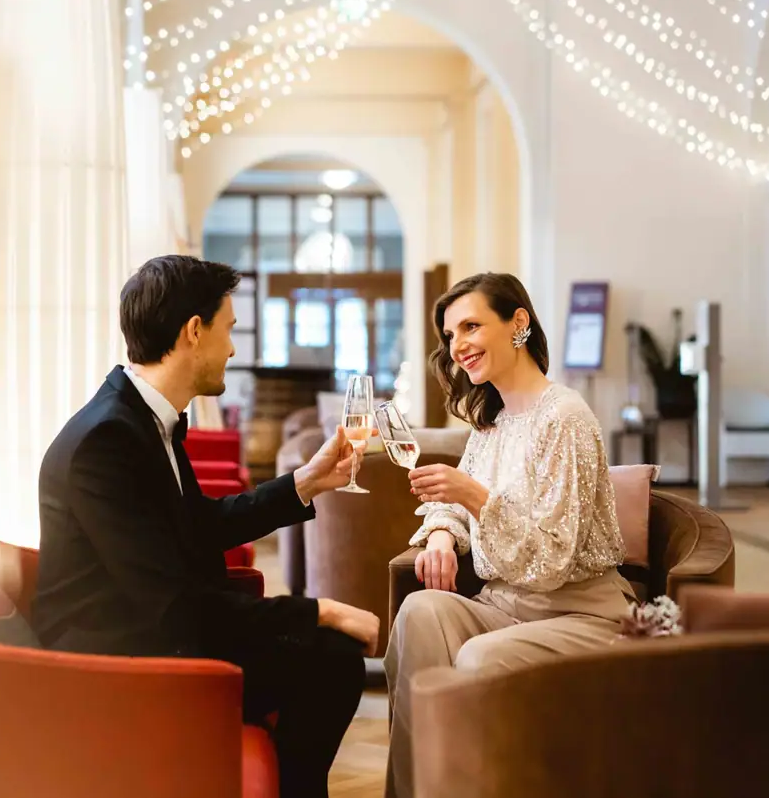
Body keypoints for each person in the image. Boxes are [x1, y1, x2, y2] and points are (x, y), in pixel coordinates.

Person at [33, 254, 380, 798]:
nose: (234, 348)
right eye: (229, 330)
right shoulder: (107, 441)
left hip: (149, 626)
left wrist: (306, 482)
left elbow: (199, 525)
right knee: (330, 662)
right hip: (110, 659)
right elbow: (171, 605)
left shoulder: (141, 420)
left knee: (327, 659)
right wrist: (320, 609)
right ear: (194, 332)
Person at [383, 273, 635, 798]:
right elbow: (447, 507)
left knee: (480, 658)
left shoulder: (565, 418)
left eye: (471, 326)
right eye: (450, 336)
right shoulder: (491, 423)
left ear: (518, 322)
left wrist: (472, 496)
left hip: (580, 613)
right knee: (419, 614)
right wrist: (440, 537)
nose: (459, 347)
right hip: (505, 605)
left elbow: (553, 559)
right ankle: (418, 790)